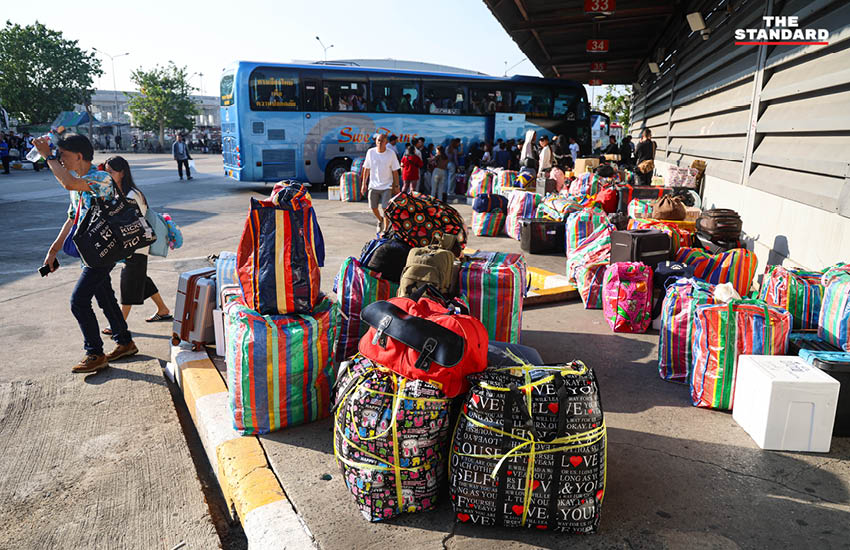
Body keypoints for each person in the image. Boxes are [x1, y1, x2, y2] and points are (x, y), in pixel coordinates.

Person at [33, 133, 137, 373]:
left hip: (104, 250)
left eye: (64, 156)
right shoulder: (76, 181)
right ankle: (125, 342)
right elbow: (72, 218)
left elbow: (68, 183)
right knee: (105, 297)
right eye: (58, 156)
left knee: (78, 301)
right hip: (89, 250)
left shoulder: (101, 178)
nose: (61, 160)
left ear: (79, 156)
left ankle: (95, 353)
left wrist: (48, 156)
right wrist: (53, 250)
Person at [99, 156, 172, 332]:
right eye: (106, 172)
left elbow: (133, 222)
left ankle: (119, 323)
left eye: (111, 172)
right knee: (141, 279)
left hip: (136, 245)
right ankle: (163, 309)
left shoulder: (132, 194)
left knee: (128, 284)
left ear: (122, 172)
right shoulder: (118, 192)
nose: (108, 175)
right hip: (128, 245)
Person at [361, 133, 400, 233]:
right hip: (373, 185)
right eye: (378, 140)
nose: (380, 142)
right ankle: (380, 220)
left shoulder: (391, 153)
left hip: (387, 185)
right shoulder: (370, 152)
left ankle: (386, 230)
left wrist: (396, 186)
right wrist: (363, 184)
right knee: (373, 207)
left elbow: (395, 171)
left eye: (382, 141)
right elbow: (366, 169)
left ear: (386, 142)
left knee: (385, 208)